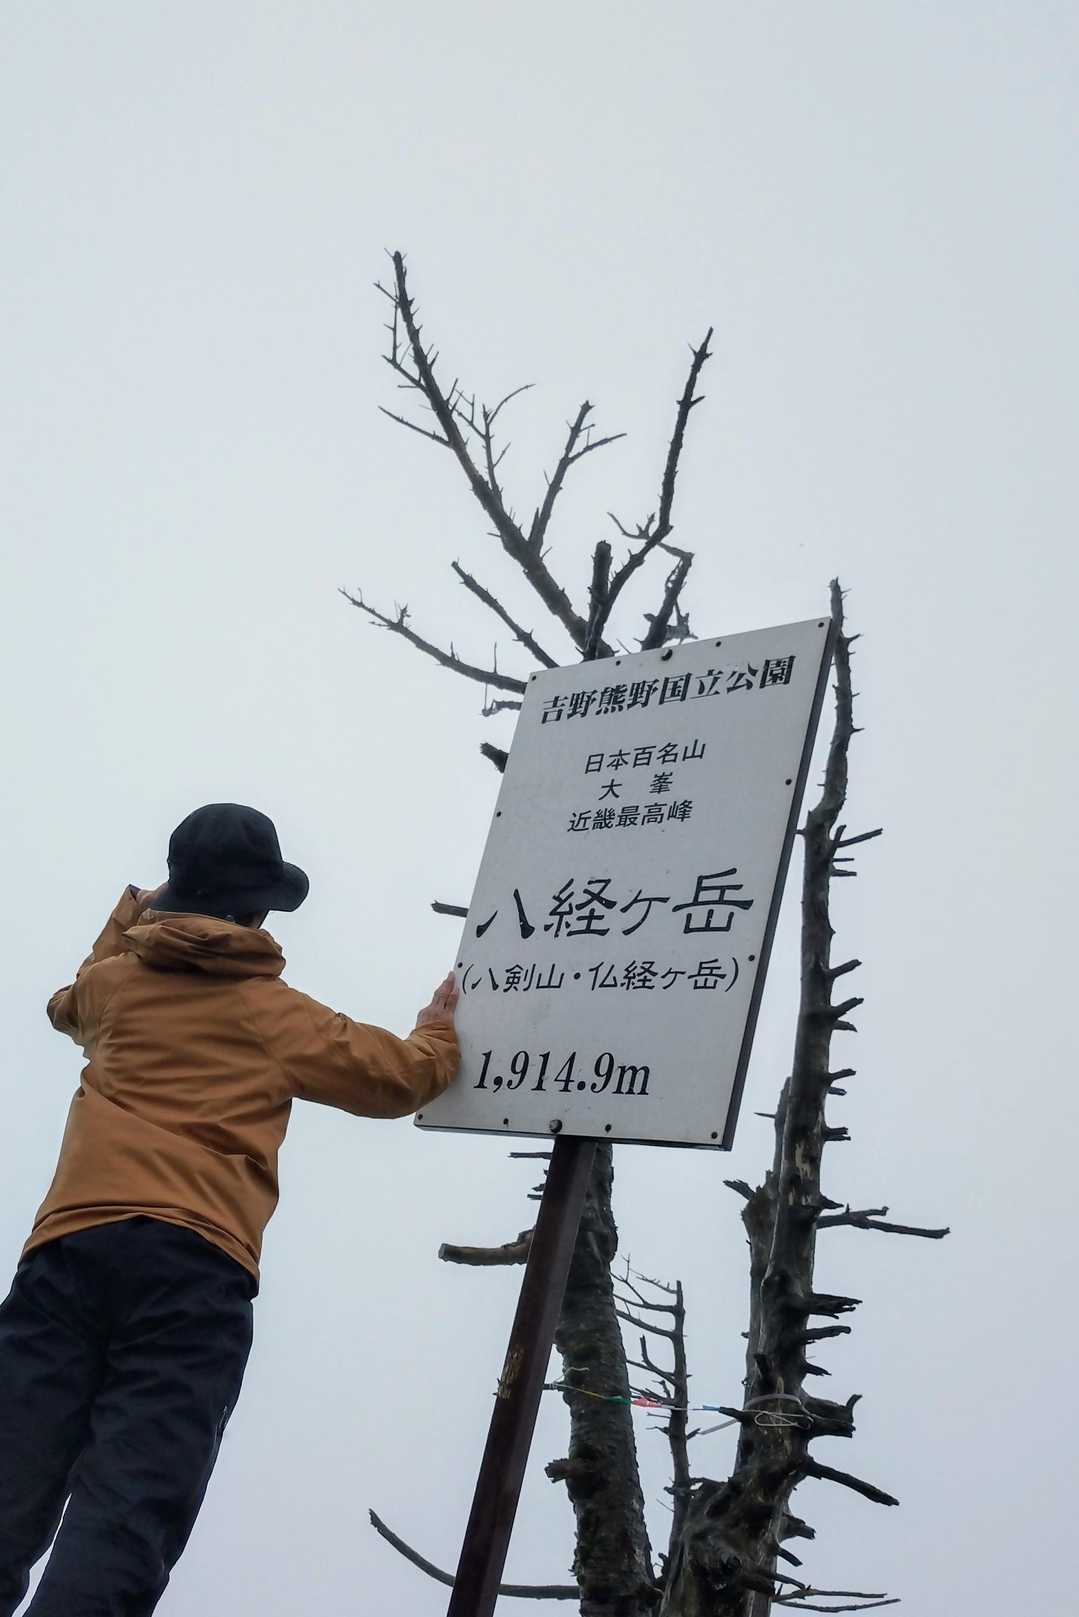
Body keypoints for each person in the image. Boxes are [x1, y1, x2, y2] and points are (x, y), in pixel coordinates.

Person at [0, 803, 459, 1617]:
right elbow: (398, 1080)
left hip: (68, 1250)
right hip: (192, 1267)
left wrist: (131, 914)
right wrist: (437, 1032)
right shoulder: (272, 1012)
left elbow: (64, 1005)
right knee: (130, 1507)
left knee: (9, 1475)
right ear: (255, 911)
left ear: (174, 890)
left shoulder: (112, 990)